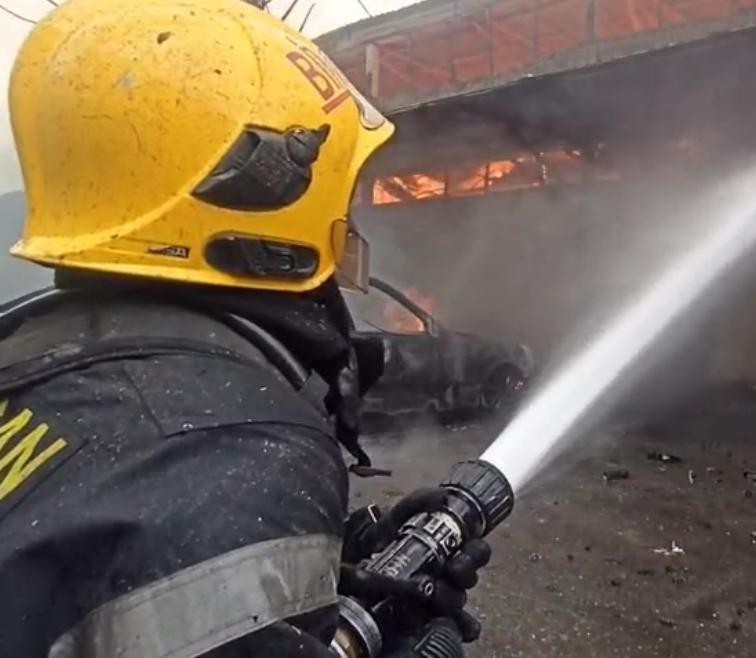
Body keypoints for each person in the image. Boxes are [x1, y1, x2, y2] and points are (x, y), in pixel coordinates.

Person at [0, 0, 489, 656]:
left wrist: (316, 572)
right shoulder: (244, 449)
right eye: (339, 199)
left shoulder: (40, 357)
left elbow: (83, 577)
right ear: (262, 194)